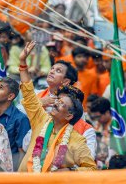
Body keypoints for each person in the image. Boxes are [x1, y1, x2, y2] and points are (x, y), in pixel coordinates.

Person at [18, 41, 96, 172]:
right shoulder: (42, 120)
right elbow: (27, 92)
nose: (56, 103)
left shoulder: (77, 137)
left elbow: (91, 167)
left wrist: (70, 172)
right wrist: (22, 62)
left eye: (62, 103)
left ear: (70, 115)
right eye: (58, 99)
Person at [36, 60, 96, 158]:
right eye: (52, 69)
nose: (51, 72)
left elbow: (88, 159)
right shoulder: (37, 95)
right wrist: (39, 103)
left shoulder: (82, 126)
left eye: (58, 71)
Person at [0, 77, 31, 170]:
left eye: (0, 88)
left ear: (10, 96)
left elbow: (22, 151)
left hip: (8, 168)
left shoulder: (21, 119)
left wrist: (17, 176)